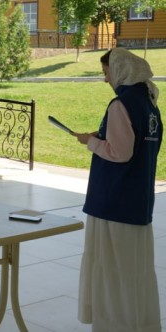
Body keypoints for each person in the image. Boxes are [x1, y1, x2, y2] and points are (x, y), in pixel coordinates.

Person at [75, 48, 162, 332]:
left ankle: (114, 324)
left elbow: (120, 153)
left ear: (120, 69)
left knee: (111, 269)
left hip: (113, 202)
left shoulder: (121, 104)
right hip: (137, 202)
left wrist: (90, 142)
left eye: (106, 72)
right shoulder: (150, 106)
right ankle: (137, 322)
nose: (105, 79)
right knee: (133, 269)